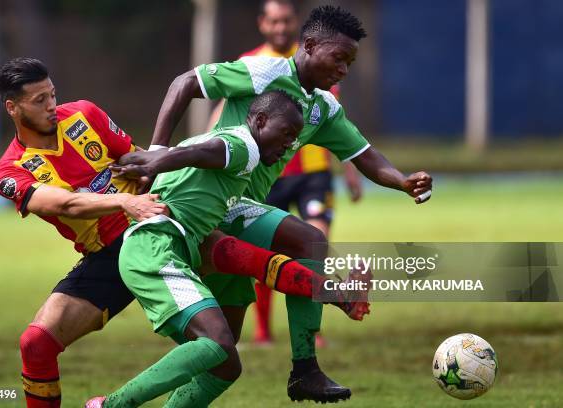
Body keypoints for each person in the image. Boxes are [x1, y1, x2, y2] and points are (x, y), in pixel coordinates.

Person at [143, 5, 433, 403]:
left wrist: (402, 181)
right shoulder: (263, 71)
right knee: (303, 245)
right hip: (193, 204)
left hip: (234, 207)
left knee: (223, 358)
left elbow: (364, 155)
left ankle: (304, 371)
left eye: (350, 62)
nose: (344, 70)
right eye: (339, 58)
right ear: (310, 45)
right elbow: (184, 83)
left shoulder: (324, 107)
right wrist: (155, 155)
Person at [85, 90, 304, 407]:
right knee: (217, 342)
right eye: (286, 134)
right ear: (260, 120)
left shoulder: (225, 149)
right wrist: (154, 160)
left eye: (294, 138)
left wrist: (156, 161)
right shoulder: (244, 146)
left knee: (225, 365)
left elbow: (198, 153)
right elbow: (202, 152)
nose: (289, 145)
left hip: (167, 247)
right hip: (157, 246)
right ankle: (111, 405)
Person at [0, 58, 170, 407]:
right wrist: (122, 201)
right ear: (12, 108)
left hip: (156, 226)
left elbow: (141, 161)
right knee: (35, 344)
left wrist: (142, 172)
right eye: (39, 100)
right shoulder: (10, 171)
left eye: (52, 94)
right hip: (107, 256)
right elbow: (65, 205)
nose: (52, 106)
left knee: (213, 339)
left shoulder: (85, 115)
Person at [214, 0, 364, 346]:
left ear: (295, 23)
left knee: (315, 239)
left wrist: (351, 171)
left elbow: (337, 125)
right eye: (275, 21)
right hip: (271, 174)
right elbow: (225, 110)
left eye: (286, 21)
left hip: (314, 173)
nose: (281, 27)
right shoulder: (255, 65)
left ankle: (311, 329)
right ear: (263, 24)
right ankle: (264, 329)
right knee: (268, 250)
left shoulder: (325, 61)